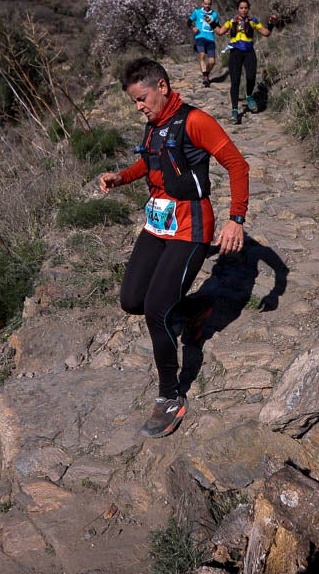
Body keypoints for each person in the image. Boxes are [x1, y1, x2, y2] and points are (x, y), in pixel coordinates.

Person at [99, 58, 249, 438]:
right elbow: (150, 165)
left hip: (190, 228)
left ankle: (170, 396)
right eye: (134, 101)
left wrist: (236, 219)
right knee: (132, 300)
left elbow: (237, 165)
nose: (139, 107)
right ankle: (197, 308)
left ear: (163, 86)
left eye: (142, 98)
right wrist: (122, 178)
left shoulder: (195, 121)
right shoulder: (154, 125)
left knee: (155, 309)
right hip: (158, 224)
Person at [214, 0, 277, 124]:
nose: (243, 10)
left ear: (248, 9)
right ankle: (235, 111)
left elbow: (266, 33)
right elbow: (220, 32)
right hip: (235, 52)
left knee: (251, 76)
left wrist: (271, 22)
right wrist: (211, 22)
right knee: (235, 81)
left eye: (246, 8)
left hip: (249, 52)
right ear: (238, 9)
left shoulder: (252, 21)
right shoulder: (232, 21)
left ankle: (248, 95)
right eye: (241, 8)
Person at [187, 0, 220, 88]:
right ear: (202, 4)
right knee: (202, 55)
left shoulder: (215, 15)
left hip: (210, 39)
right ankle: (205, 77)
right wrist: (193, 27)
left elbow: (217, 26)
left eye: (209, 4)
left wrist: (224, 31)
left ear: (211, 4)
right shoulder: (197, 12)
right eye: (205, 4)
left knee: (212, 61)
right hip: (200, 37)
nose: (207, 6)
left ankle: (206, 74)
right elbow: (189, 22)